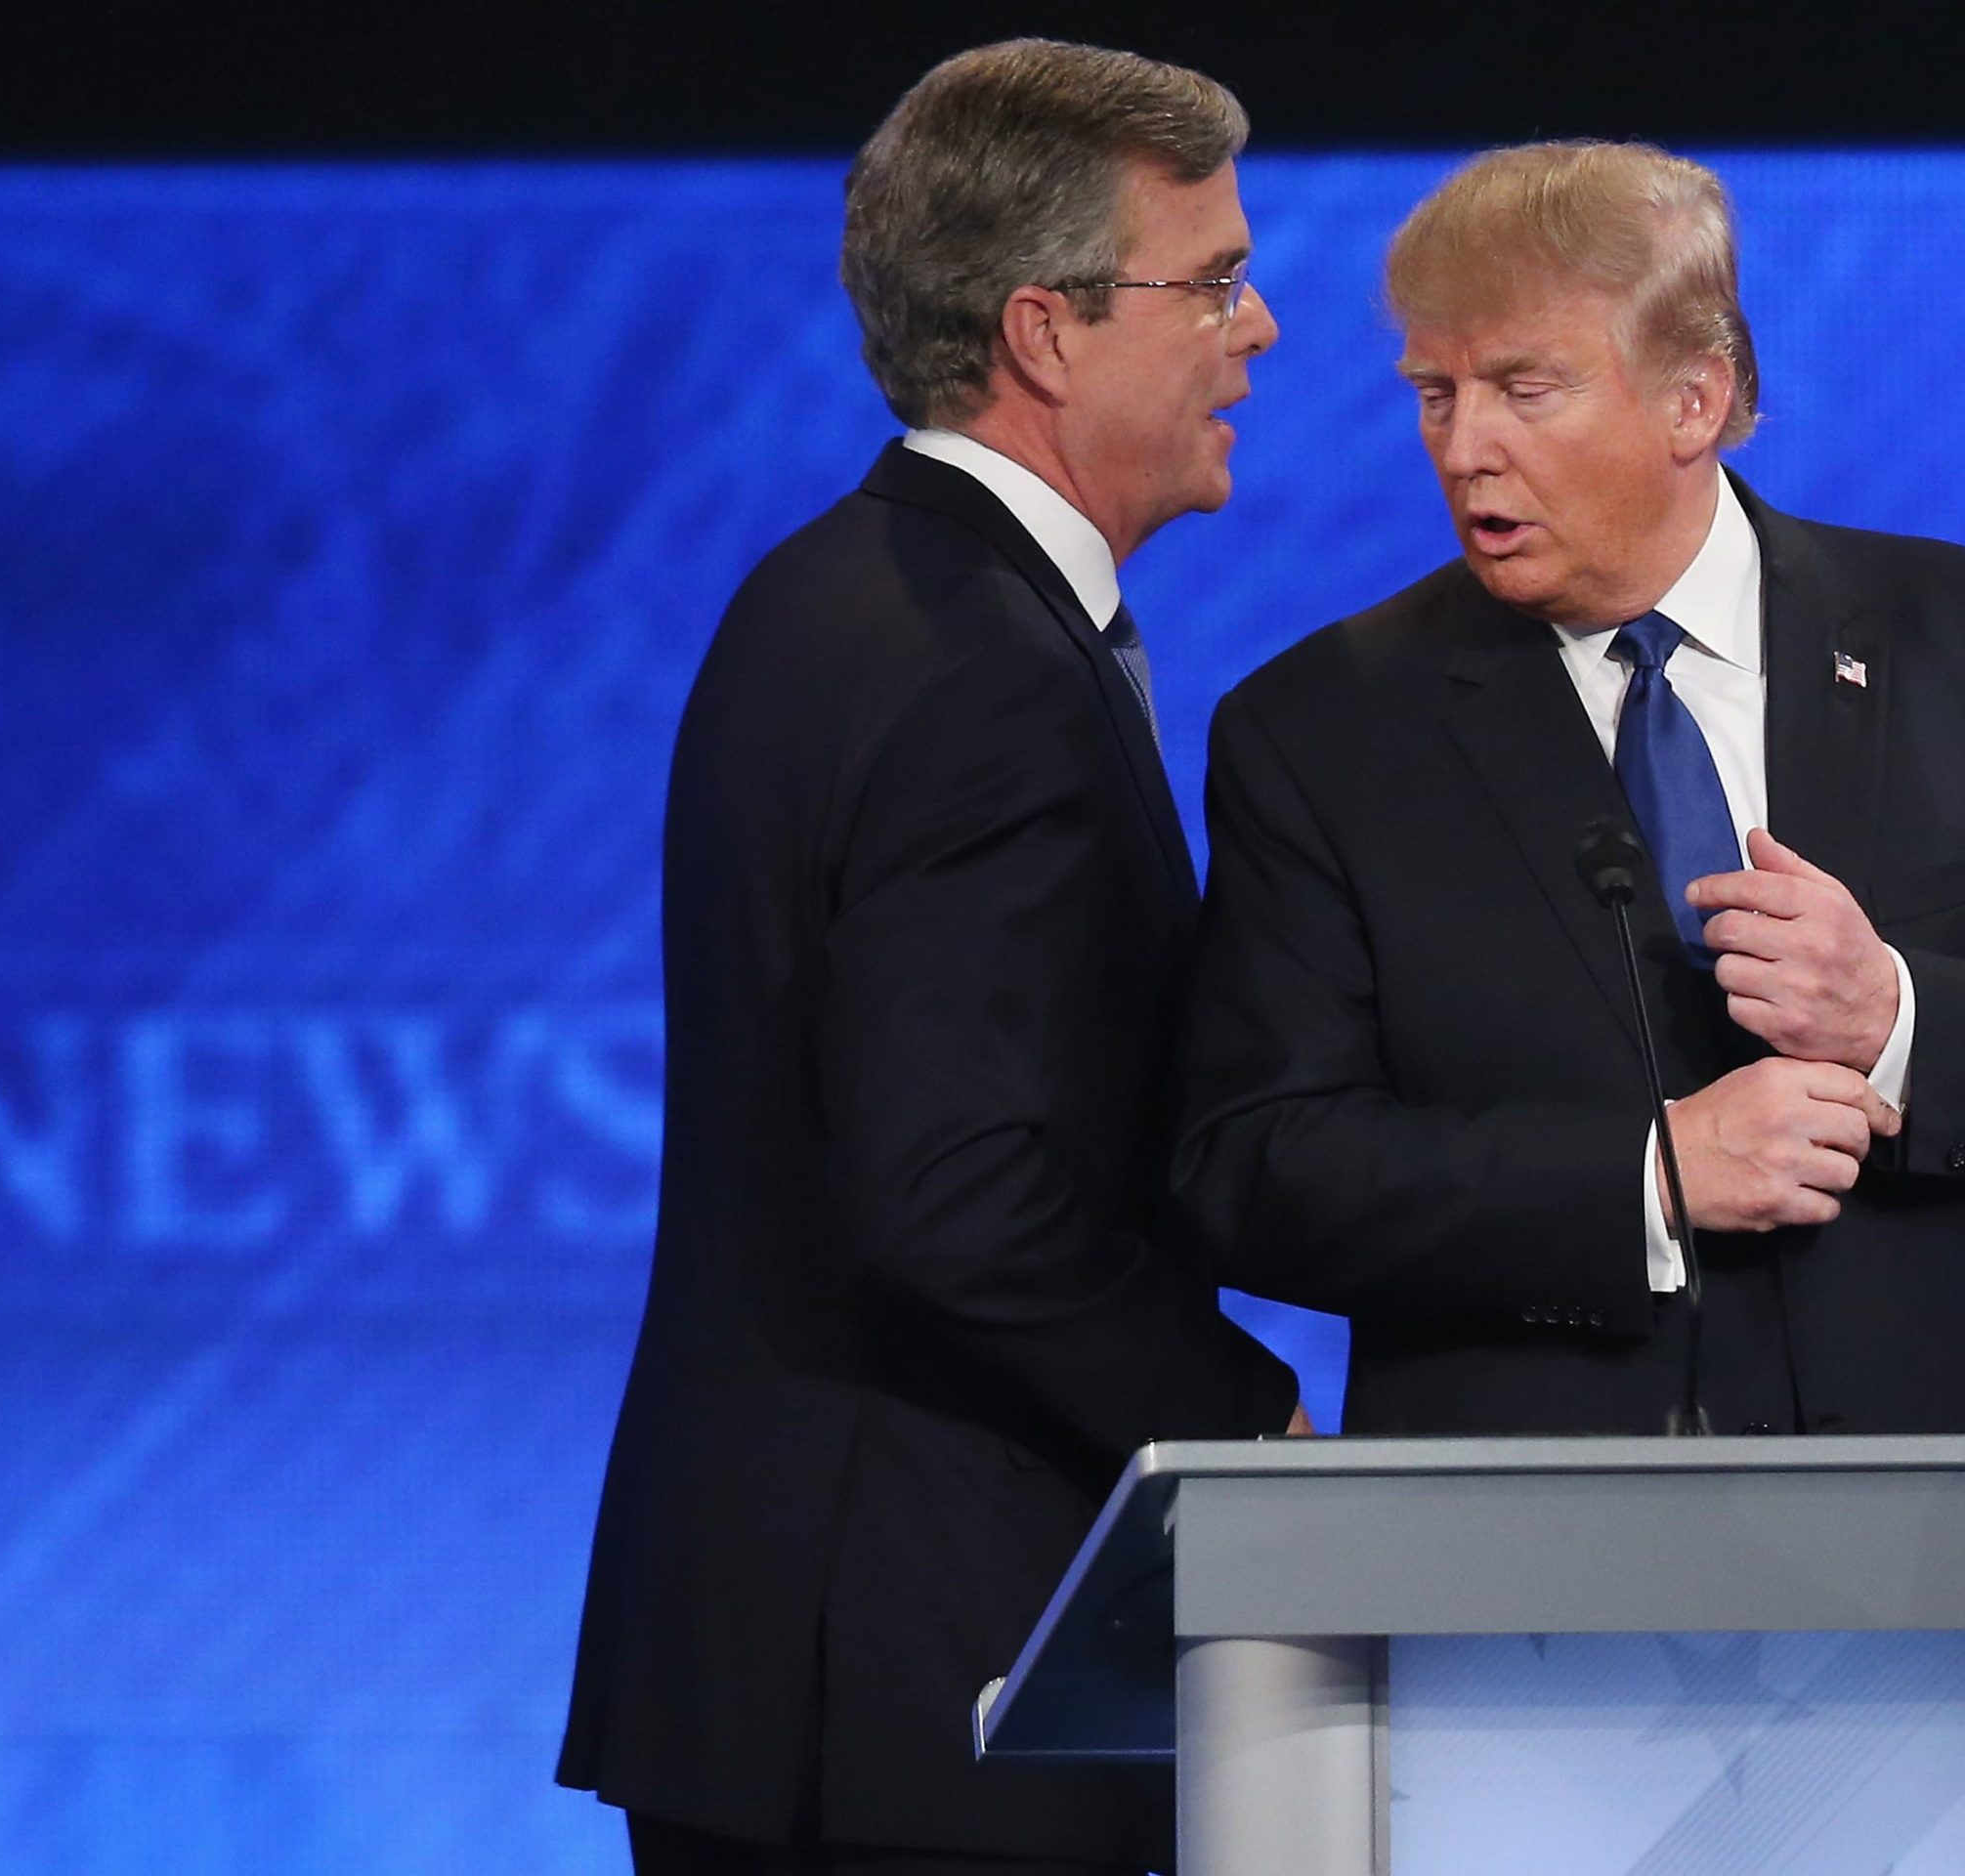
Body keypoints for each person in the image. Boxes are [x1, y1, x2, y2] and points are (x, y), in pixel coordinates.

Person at [1170, 143, 1965, 1809]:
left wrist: (1898, 1020)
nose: (1467, 447)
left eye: (1526, 387)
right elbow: (1255, 1164)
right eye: (1436, 392)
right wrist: (1647, 1175)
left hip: (1958, 1608)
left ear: (1702, 394)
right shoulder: (1323, 734)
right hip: (1522, 1642)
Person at [558, 40, 1301, 1876]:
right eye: (1206, 281)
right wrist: (1237, 1418)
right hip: (926, 1690)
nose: (1259, 328)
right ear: (1044, 331)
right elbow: (956, 1194)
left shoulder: (835, 590)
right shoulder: (983, 675)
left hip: (796, 1669)